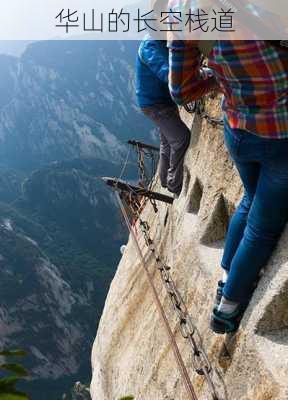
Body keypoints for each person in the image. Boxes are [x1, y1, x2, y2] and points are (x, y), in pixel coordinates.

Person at [168, 39, 288, 334]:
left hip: (237, 129)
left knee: (250, 199)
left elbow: (181, 90)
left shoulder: (184, 10)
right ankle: (227, 309)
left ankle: (226, 279)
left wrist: (221, 78)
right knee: (262, 228)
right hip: (279, 135)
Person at [135, 33, 191, 197]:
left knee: (166, 141)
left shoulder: (158, 40)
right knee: (181, 138)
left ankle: (164, 179)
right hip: (156, 104)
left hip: (156, 101)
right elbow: (166, 72)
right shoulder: (150, 45)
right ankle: (174, 183)